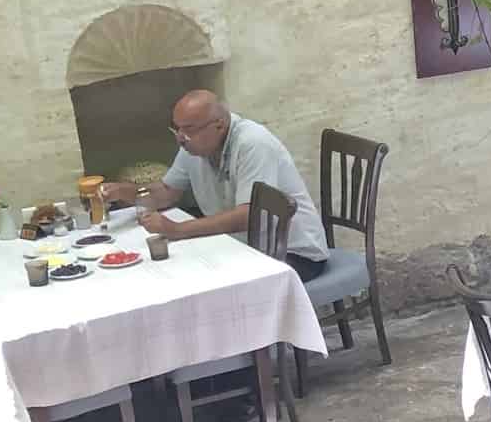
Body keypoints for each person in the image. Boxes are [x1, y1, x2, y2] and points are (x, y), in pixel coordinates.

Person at [99, 91, 331, 280]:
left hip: (291, 253)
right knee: (176, 271)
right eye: (176, 128)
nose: (180, 138)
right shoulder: (193, 146)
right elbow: (168, 192)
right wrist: (122, 191)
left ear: (219, 125)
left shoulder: (253, 144)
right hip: (243, 245)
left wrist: (178, 230)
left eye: (188, 130)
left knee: (202, 280)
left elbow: (249, 215)